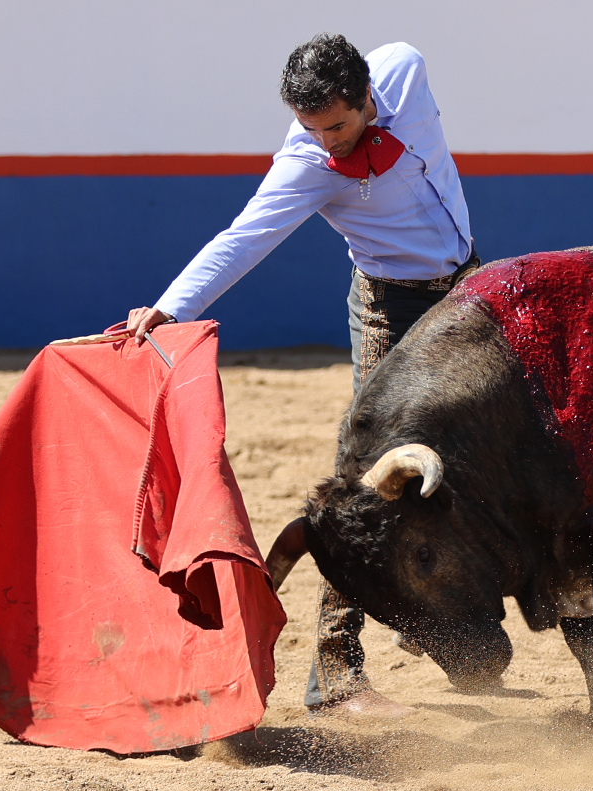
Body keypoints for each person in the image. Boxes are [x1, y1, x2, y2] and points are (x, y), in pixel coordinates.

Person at [126, 33, 479, 719]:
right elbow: (243, 238)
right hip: (389, 308)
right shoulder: (307, 164)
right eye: (310, 128)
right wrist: (171, 307)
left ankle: (424, 614)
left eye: (336, 126)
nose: (325, 142)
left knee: (476, 454)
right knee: (367, 484)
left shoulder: (403, 70)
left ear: (368, 95)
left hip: (463, 291)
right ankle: (335, 674)